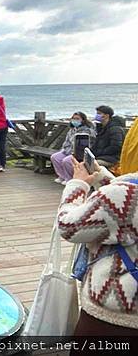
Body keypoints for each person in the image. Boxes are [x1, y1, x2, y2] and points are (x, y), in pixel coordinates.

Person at [57, 133, 138, 347]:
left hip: (117, 319)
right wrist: (104, 177)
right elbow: (125, 212)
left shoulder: (124, 193)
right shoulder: (123, 192)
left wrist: (76, 185)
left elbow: (68, 226)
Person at [50, 112, 96, 184]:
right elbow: (66, 142)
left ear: (83, 120)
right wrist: (64, 150)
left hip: (80, 153)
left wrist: (73, 153)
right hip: (68, 150)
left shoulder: (87, 131)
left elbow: (85, 146)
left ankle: (70, 178)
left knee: (67, 161)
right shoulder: (72, 129)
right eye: (73, 118)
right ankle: (62, 176)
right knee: (55, 157)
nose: (75, 120)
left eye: (77, 119)